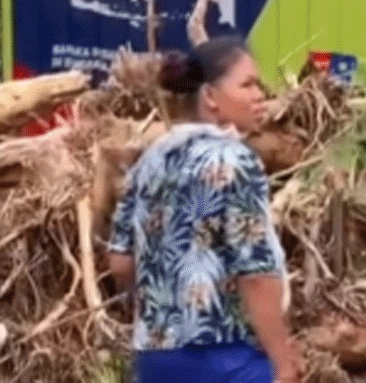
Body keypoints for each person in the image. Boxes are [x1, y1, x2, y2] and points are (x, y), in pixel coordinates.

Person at [107, 37, 302, 383]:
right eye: (248, 84)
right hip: (226, 357)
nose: (260, 95)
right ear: (210, 96)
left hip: (155, 360)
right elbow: (256, 275)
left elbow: (120, 262)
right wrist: (283, 362)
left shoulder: (150, 161)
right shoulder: (235, 160)